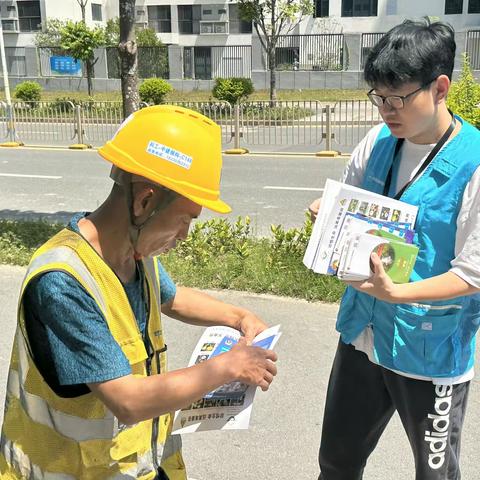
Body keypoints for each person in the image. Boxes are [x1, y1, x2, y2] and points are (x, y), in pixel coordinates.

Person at [0, 105, 278, 480]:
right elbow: (127, 400)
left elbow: (173, 298)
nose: (183, 236)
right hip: (69, 469)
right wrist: (227, 367)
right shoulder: (63, 281)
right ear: (144, 201)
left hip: (136, 463)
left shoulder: (134, 253)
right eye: (184, 219)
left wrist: (237, 316)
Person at [308, 19, 480, 480]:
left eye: (398, 98)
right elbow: (349, 205)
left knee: (436, 474)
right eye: (378, 97)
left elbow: (473, 275)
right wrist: (328, 216)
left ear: (440, 87)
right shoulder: (379, 140)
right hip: (363, 334)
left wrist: (398, 294)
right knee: (337, 463)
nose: (386, 110)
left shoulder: (474, 163)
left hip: (430, 348)